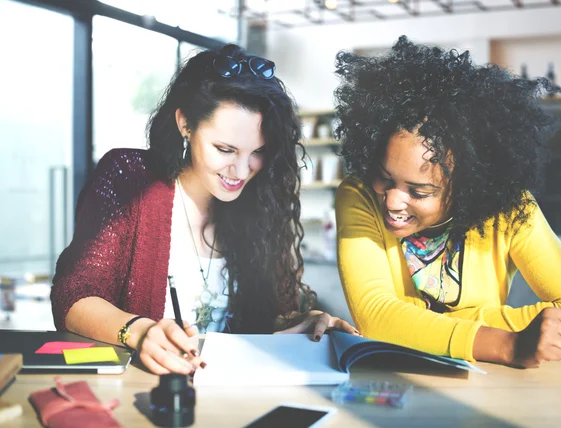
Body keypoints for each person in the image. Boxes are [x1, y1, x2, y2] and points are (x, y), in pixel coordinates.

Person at [51, 44, 357, 376]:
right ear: (185, 124)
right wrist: (141, 332)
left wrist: (298, 324)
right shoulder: (131, 179)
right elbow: (74, 295)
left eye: (258, 152)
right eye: (225, 149)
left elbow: (265, 320)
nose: (241, 171)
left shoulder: (261, 201)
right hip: (149, 394)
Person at [333, 36, 561, 368]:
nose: (392, 201)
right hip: (399, 381)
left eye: (419, 192)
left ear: (467, 186)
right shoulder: (359, 195)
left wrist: (417, 321)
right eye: (385, 177)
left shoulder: (511, 210)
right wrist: (506, 344)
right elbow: (377, 318)